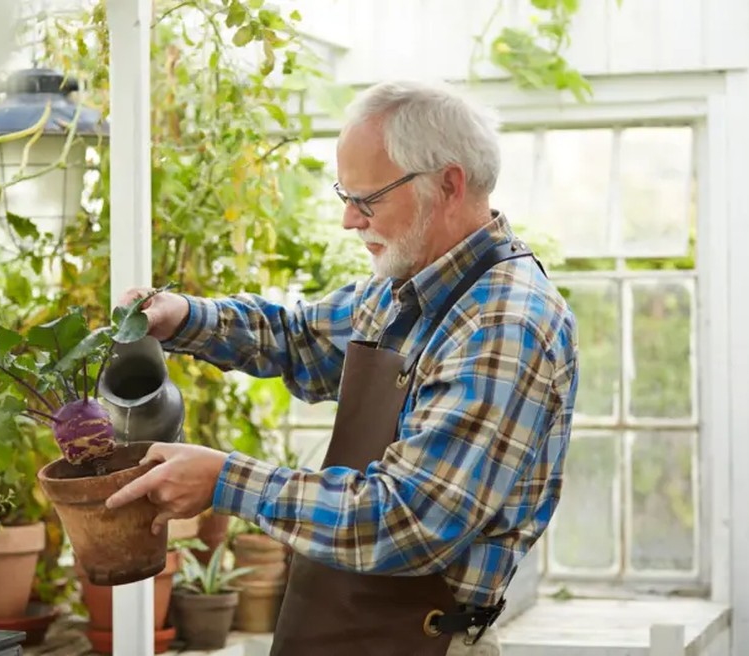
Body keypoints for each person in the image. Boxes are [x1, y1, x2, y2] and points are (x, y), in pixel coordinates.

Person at [106, 80, 579, 656]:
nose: (349, 221)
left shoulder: (503, 325)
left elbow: (408, 522)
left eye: (367, 199)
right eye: (344, 196)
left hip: (423, 643)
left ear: (449, 184)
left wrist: (226, 481)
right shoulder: (403, 285)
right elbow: (300, 337)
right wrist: (184, 318)